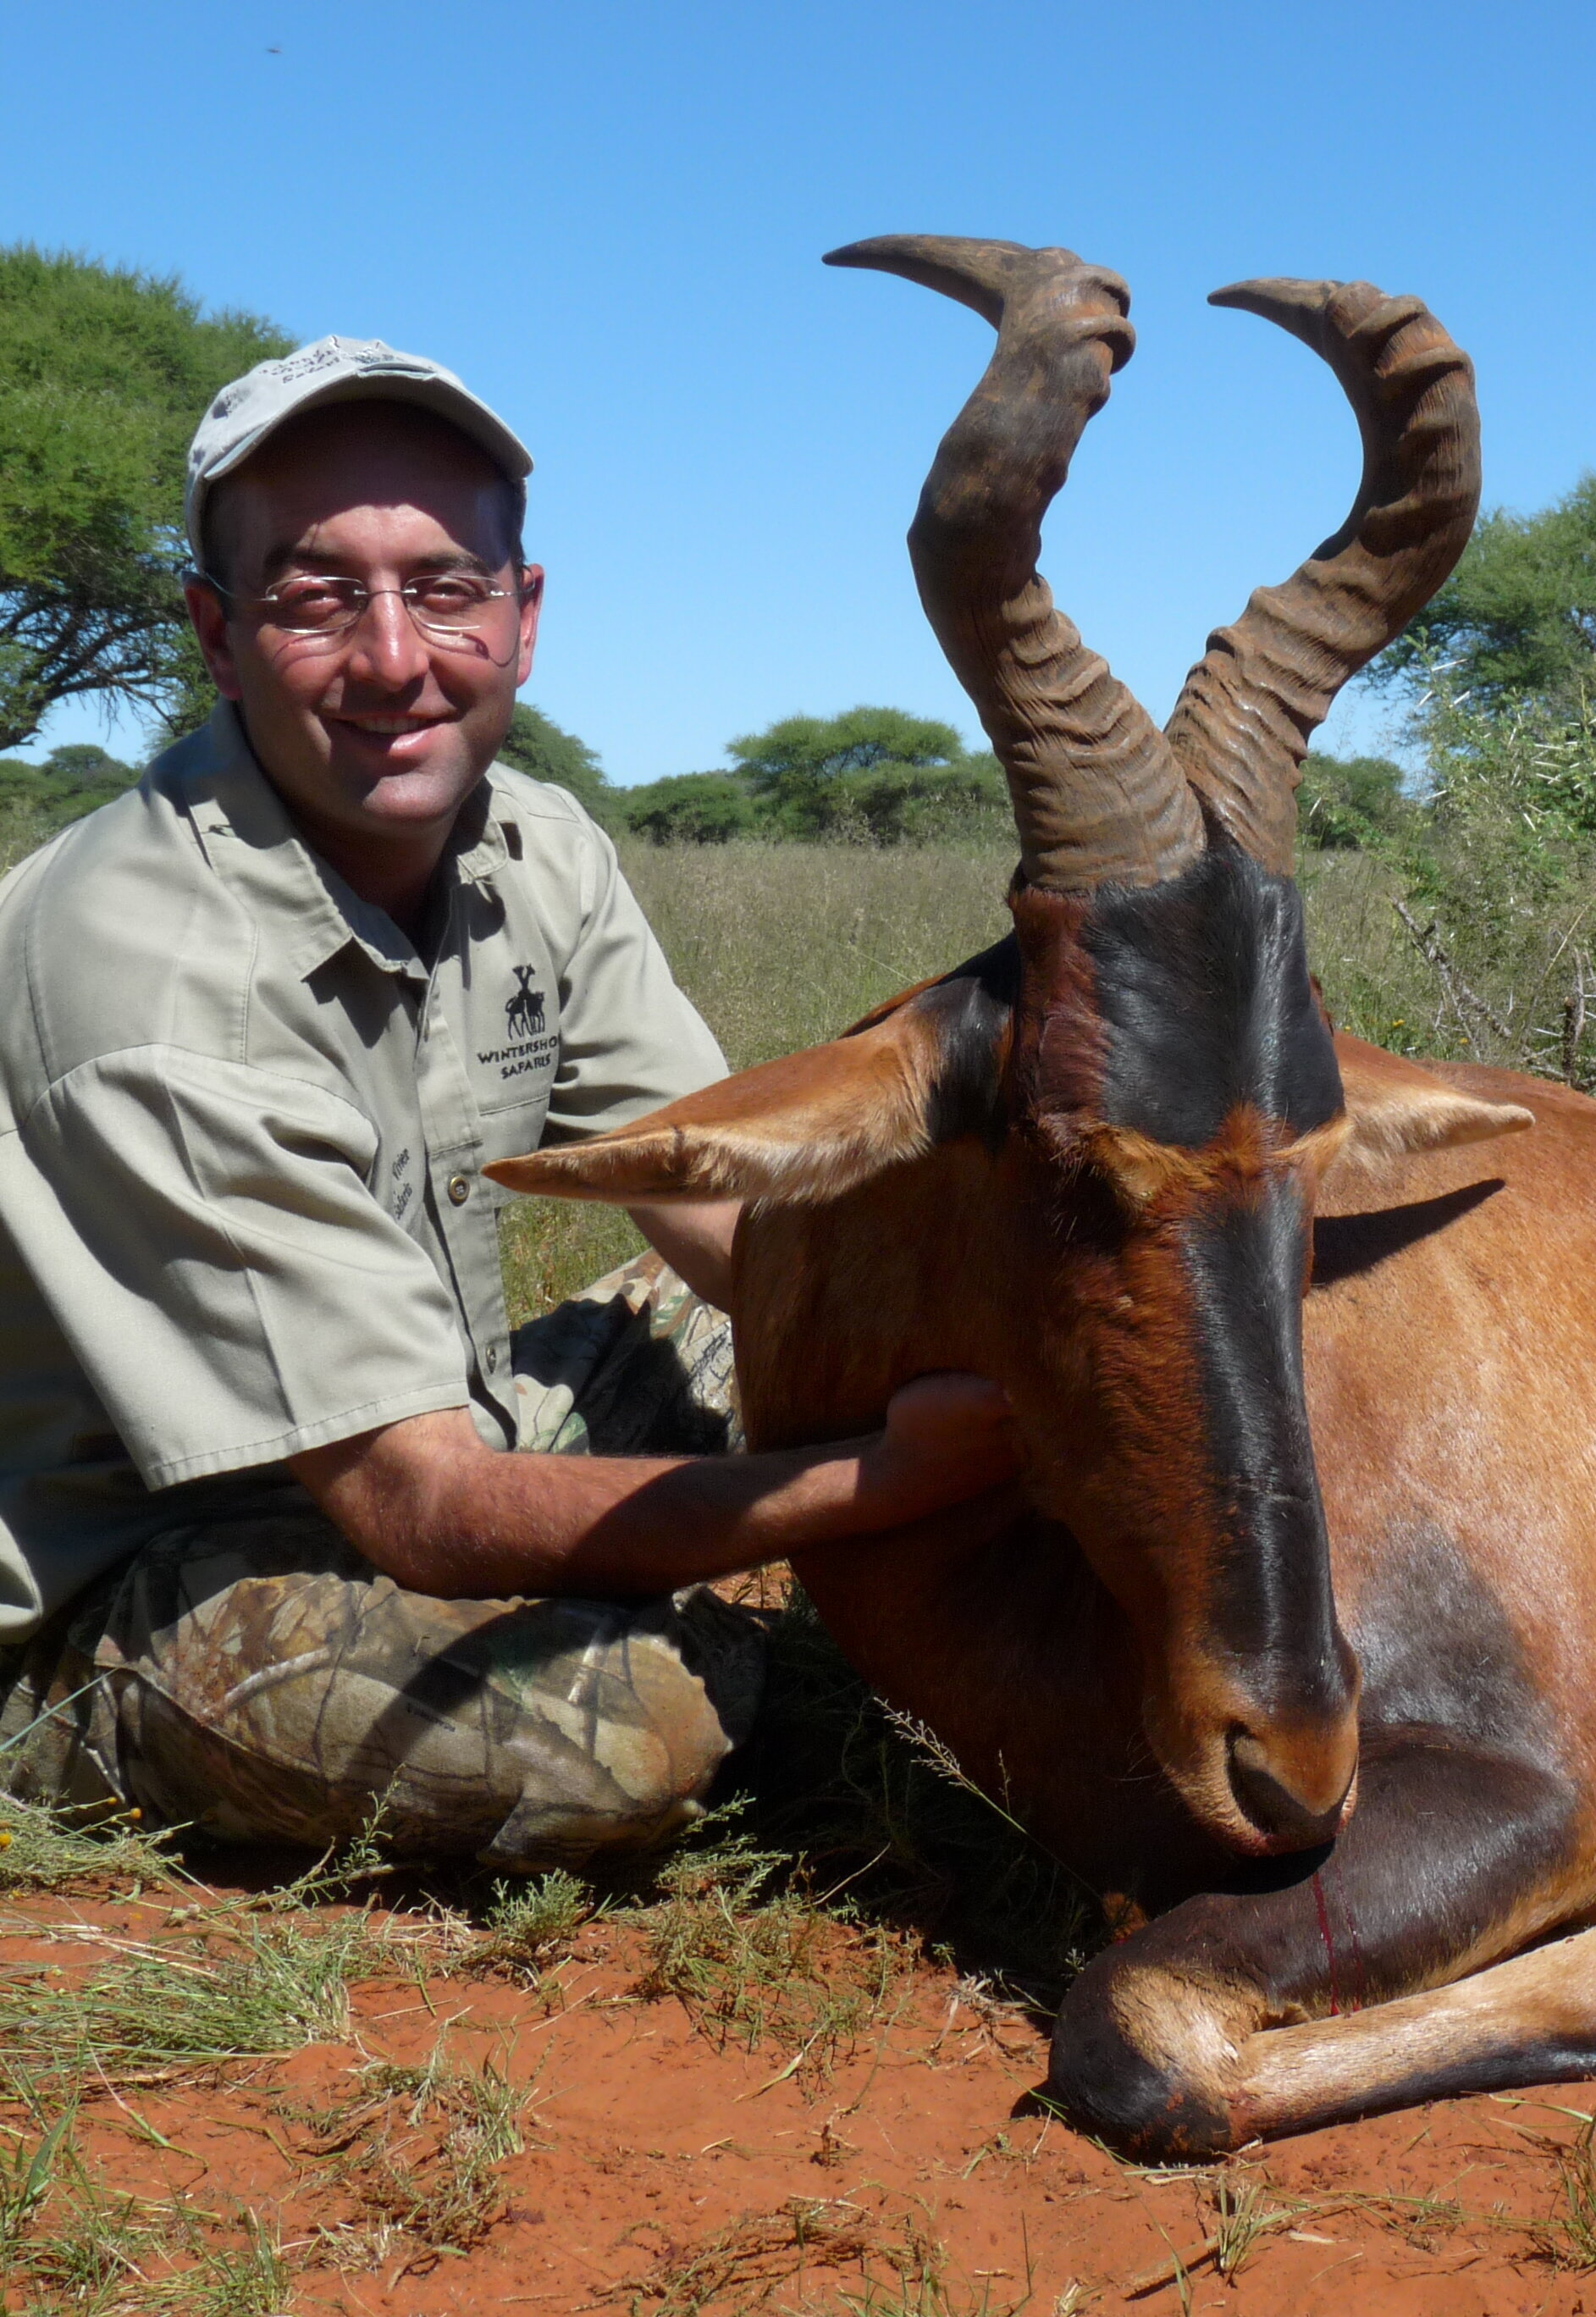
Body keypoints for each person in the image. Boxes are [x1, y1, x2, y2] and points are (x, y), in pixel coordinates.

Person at [0, 338, 1019, 1871]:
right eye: (316, 592)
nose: (397, 656)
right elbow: (420, 1508)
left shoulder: (534, 843)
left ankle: (695, 1577)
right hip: (140, 1564)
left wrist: (962, 1339)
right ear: (216, 635)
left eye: (445, 585)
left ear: (522, 619)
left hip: (431, 1413)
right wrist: (880, 1480)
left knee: (907, 1300)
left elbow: (724, 1206)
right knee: (626, 1737)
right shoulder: (153, 976)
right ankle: (80, 1732)